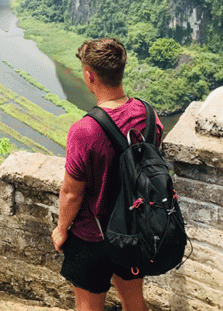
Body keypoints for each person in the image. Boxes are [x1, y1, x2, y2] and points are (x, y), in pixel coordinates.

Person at [51, 38, 163, 311]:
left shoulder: (84, 130)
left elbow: (71, 193)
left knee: (89, 306)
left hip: (93, 235)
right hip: (135, 228)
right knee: (135, 302)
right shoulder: (149, 115)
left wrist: (61, 229)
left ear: (89, 76)